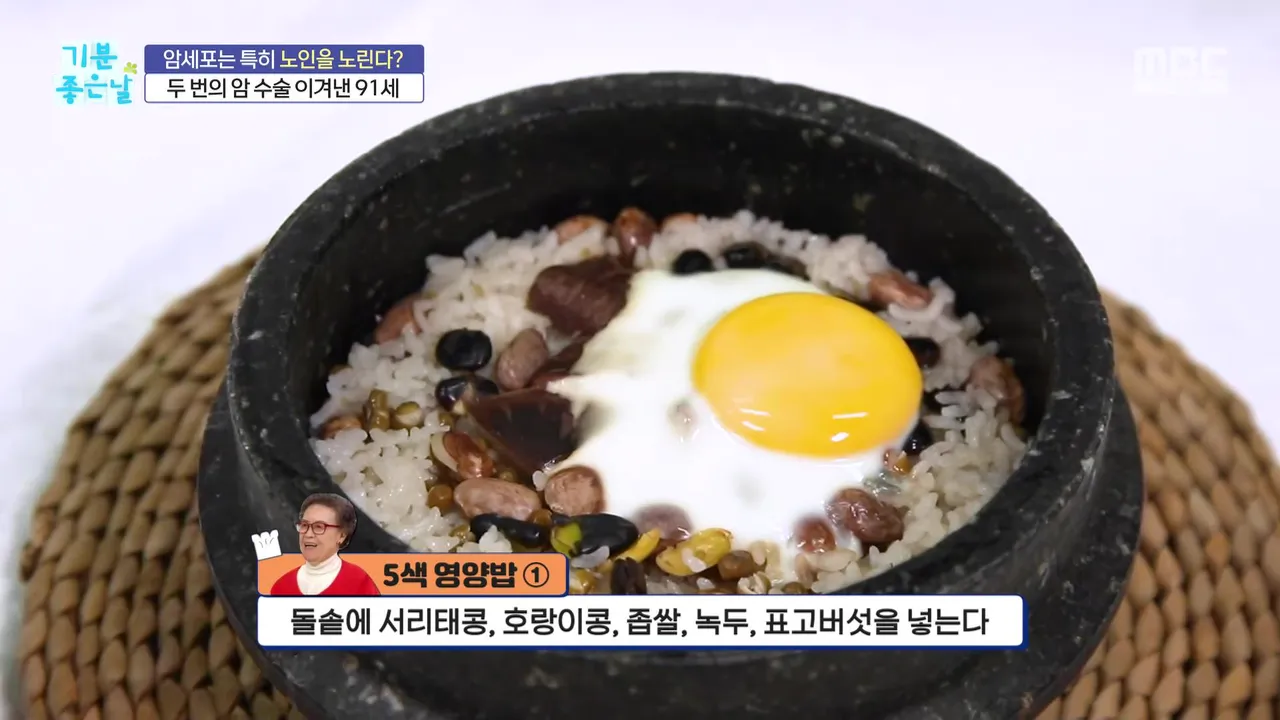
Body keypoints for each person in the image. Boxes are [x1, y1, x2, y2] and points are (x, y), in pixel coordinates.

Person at [269, 493, 381, 596]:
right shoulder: (281, 586)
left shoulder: (359, 582)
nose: (308, 534)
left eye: (319, 527)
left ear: (342, 535)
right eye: (304, 525)